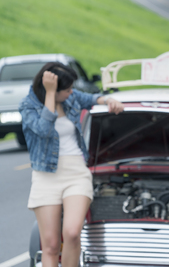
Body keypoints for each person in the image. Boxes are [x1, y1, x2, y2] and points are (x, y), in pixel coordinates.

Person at [19, 62, 124, 267]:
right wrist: (50, 95)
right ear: (52, 89)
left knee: (72, 233)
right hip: (46, 176)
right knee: (50, 245)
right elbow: (43, 130)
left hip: (76, 173)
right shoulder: (28, 106)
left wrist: (108, 99)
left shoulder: (71, 98)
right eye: (66, 90)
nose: (70, 93)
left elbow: (91, 98)